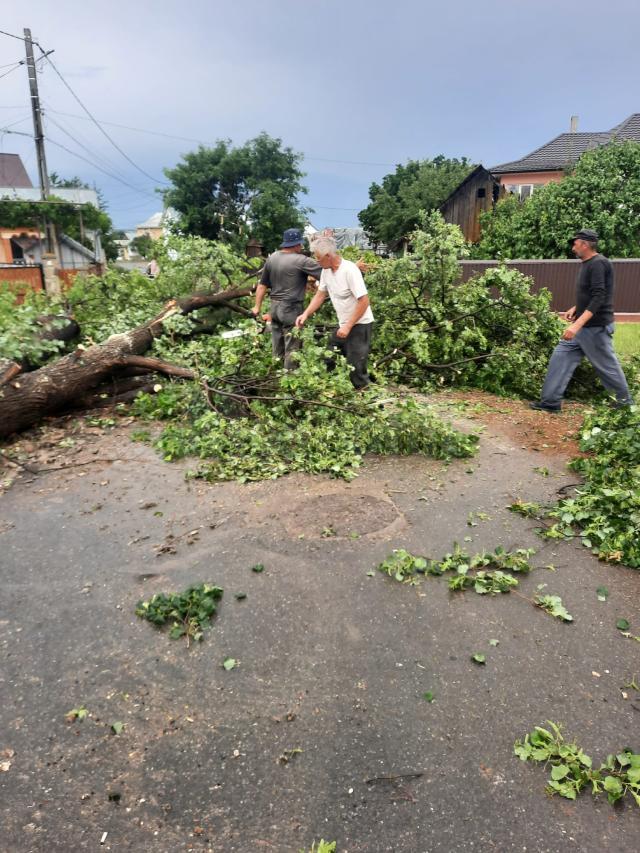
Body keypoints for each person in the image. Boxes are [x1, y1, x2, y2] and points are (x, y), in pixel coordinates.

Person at [530, 228, 633, 413]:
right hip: (584, 327)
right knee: (560, 357)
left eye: (575, 243)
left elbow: (599, 296)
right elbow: (590, 294)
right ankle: (550, 402)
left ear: (585, 244)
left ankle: (625, 407)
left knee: (607, 369)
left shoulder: (599, 264)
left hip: (596, 328)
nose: (573, 248)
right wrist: (576, 308)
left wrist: (577, 325)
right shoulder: (588, 263)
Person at [295, 235, 374, 389]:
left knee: (356, 368)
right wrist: (305, 313)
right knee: (329, 357)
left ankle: (373, 405)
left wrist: (348, 326)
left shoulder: (350, 270)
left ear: (328, 256)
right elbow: (320, 295)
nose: (316, 261)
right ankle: (324, 390)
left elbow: (364, 301)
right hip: (344, 325)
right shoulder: (326, 271)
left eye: (318, 258)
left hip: (359, 325)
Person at [251, 228, 322, 369]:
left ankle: (276, 376)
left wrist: (257, 307)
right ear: (296, 244)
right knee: (293, 347)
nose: (301, 247)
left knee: (278, 345)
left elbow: (262, 285)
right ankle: (290, 379)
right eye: (300, 244)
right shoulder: (302, 260)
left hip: (274, 308)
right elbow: (327, 270)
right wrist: (352, 267)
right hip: (291, 309)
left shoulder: (273, 258)